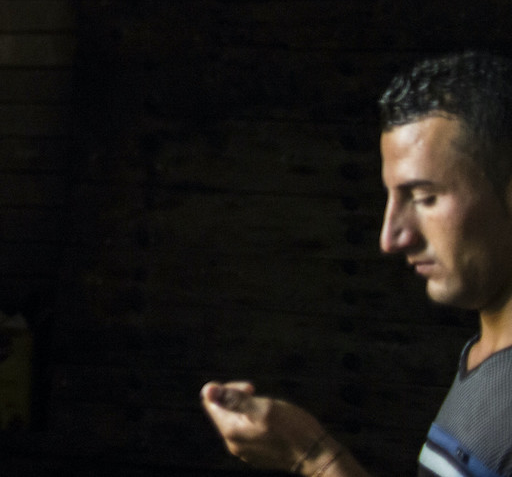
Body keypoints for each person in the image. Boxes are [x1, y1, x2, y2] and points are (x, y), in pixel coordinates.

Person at [201, 50, 512, 477]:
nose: (391, 238)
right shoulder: (486, 358)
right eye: (393, 197)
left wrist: (313, 457)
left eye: (424, 198)